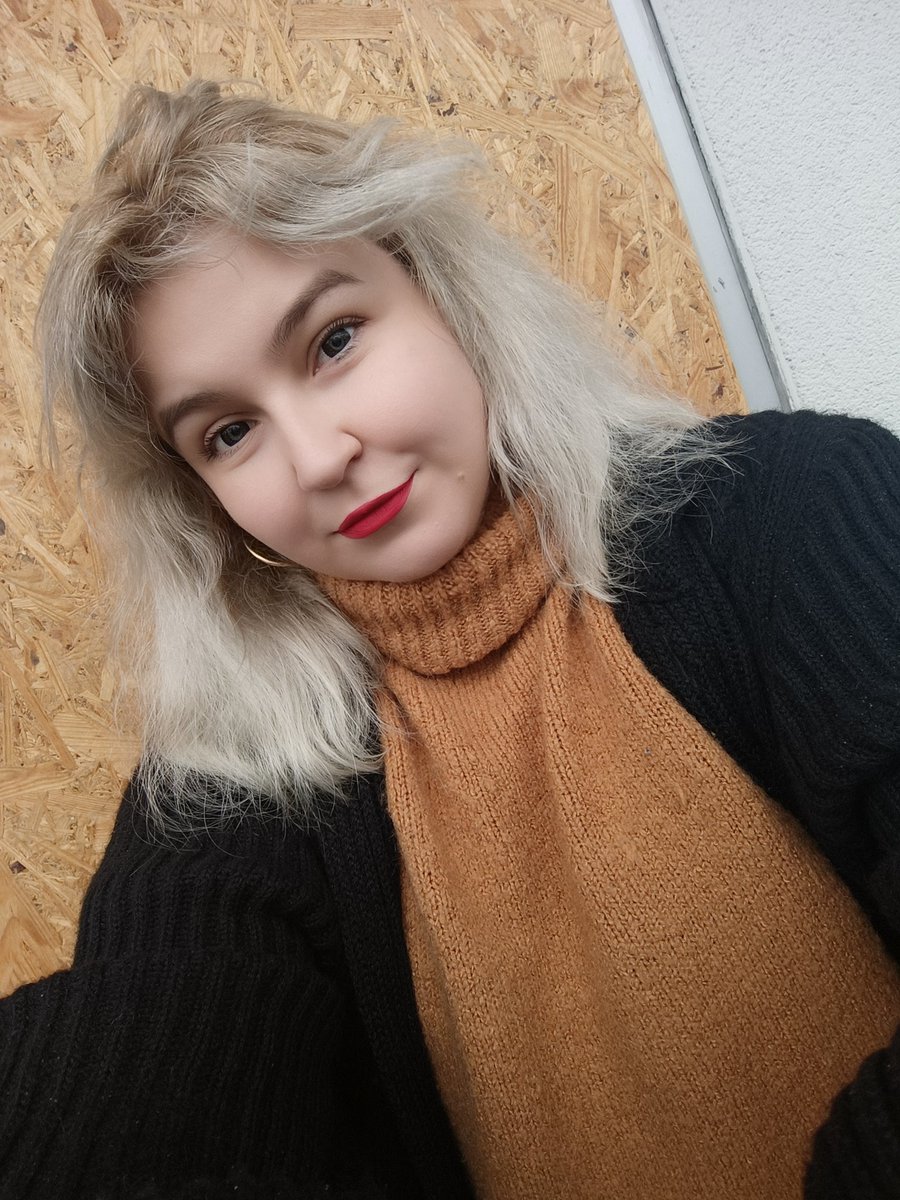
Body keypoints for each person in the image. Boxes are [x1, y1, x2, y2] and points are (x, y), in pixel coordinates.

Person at [1, 78, 899, 1200]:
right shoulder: (237, 774)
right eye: (228, 432)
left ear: (441, 293)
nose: (318, 455)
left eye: (333, 341)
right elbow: (154, 1051)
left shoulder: (793, 512)